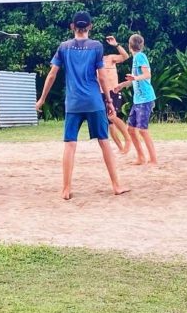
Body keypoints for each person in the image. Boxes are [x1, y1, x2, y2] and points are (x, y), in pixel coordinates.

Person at [36, 11, 129, 201]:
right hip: (94, 101)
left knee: (70, 145)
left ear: (72, 27)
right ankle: (116, 186)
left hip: (73, 103)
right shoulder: (96, 46)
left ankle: (66, 189)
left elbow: (52, 74)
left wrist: (42, 99)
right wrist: (109, 101)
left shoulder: (64, 47)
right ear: (90, 26)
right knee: (104, 142)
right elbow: (102, 76)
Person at [115, 32, 157, 166]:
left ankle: (153, 159)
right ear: (141, 44)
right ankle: (141, 158)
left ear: (129, 46)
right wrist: (122, 85)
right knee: (131, 129)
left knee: (143, 130)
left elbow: (147, 74)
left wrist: (135, 78)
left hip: (145, 99)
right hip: (138, 100)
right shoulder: (136, 58)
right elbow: (135, 78)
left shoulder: (140, 56)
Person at [100, 34, 130, 155]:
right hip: (101, 93)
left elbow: (125, 56)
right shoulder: (93, 62)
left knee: (112, 117)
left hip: (113, 91)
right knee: (109, 123)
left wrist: (116, 44)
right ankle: (121, 148)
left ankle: (128, 139)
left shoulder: (110, 58)